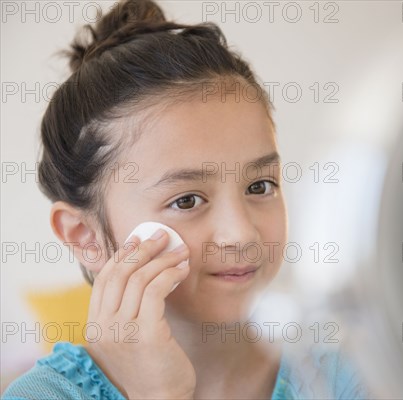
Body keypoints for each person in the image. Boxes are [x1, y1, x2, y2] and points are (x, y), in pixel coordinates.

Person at [2, 0, 370, 399]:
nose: (240, 234)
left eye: (260, 186)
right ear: (85, 235)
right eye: (187, 200)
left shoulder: (352, 375)